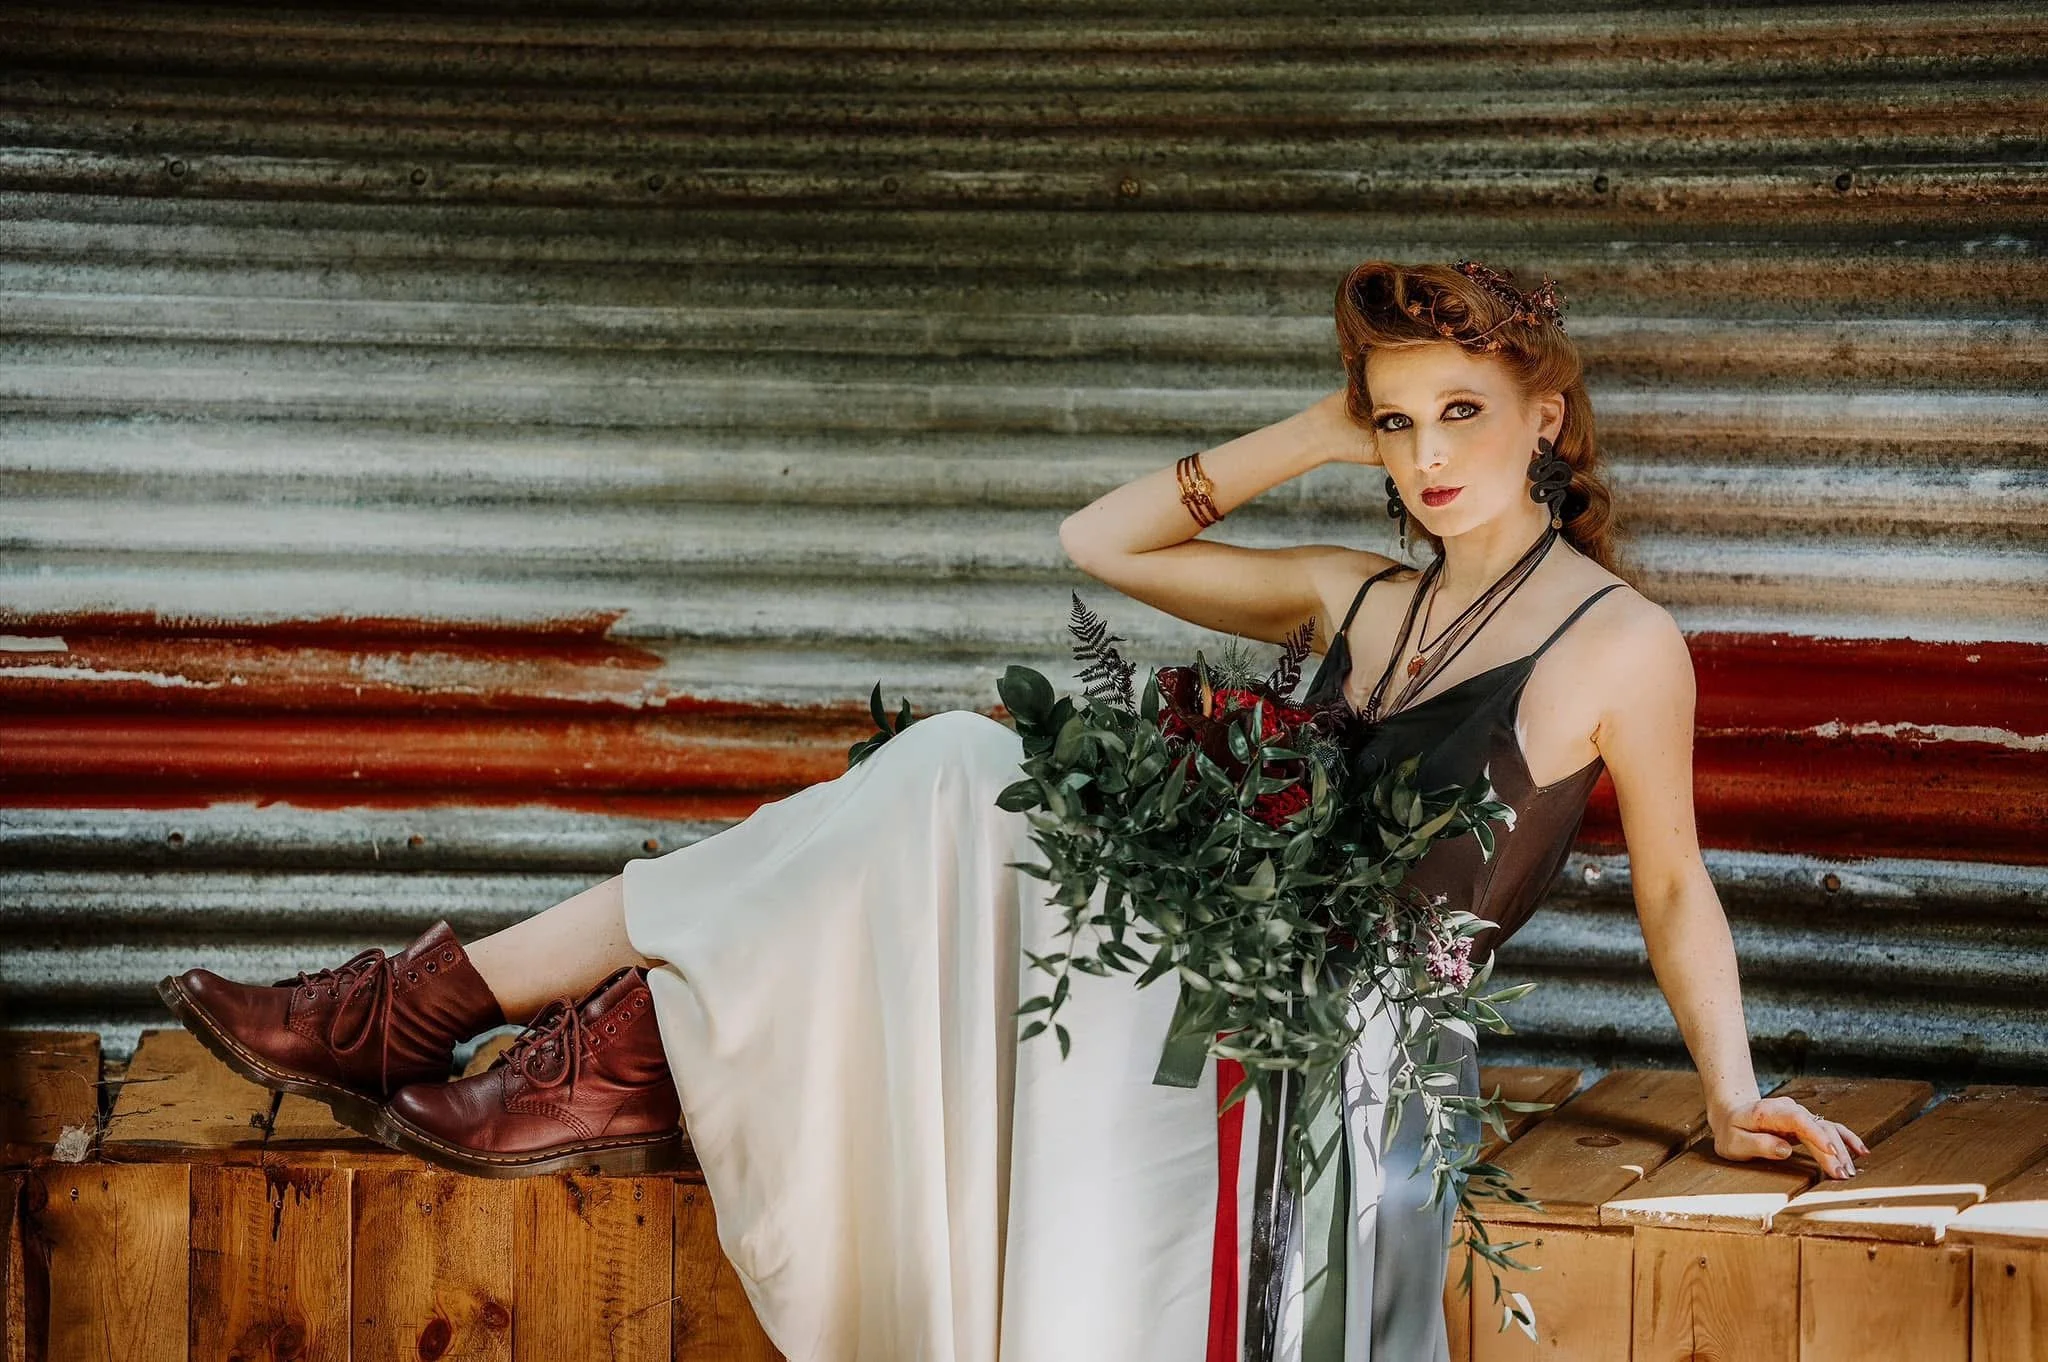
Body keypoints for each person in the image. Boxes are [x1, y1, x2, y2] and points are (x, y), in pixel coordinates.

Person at [157, 258, 1868, 1362]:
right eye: (1403, 423)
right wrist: (1312, 430)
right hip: (1187, 964)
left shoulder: (1623, 644)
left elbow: (1672, 886)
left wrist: (1732, 1090)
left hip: (1334, 1030)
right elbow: (1099, 541)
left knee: (958, 773)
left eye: (1463, 417)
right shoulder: (1361, 594)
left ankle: (478, 1018)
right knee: (957, 773)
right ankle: (498, 1024)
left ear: (1547, 416)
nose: (1428, 458)